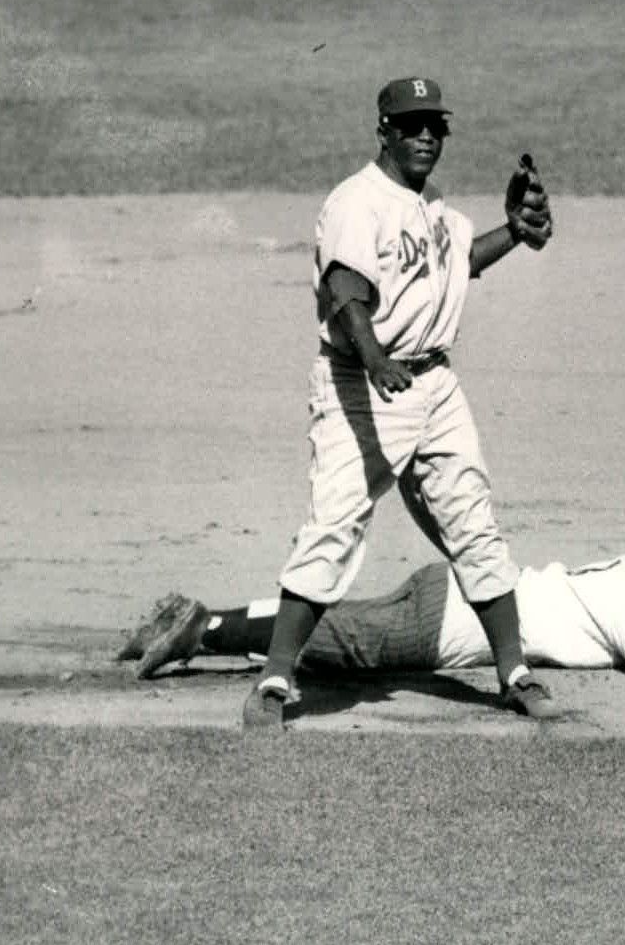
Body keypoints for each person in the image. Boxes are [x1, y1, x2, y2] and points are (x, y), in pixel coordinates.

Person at [240, 76, 563, 732]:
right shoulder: (357, 202)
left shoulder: (435, 204)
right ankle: (274, 679)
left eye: (434, 126)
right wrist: (377, 358)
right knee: (334, 524)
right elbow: (346, 293)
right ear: (383, 130)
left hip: (435, 385)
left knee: (473, 518)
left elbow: (456, 264)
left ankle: (514, 672)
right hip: (361, 385)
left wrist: (515, 234)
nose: (424, 136)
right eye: (410, 124)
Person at [119, 509, 625, 685]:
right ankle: (202, 627)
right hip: (458, 618)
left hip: (458, 595)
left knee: (341, 624)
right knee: (346, 645)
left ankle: (201, 621)